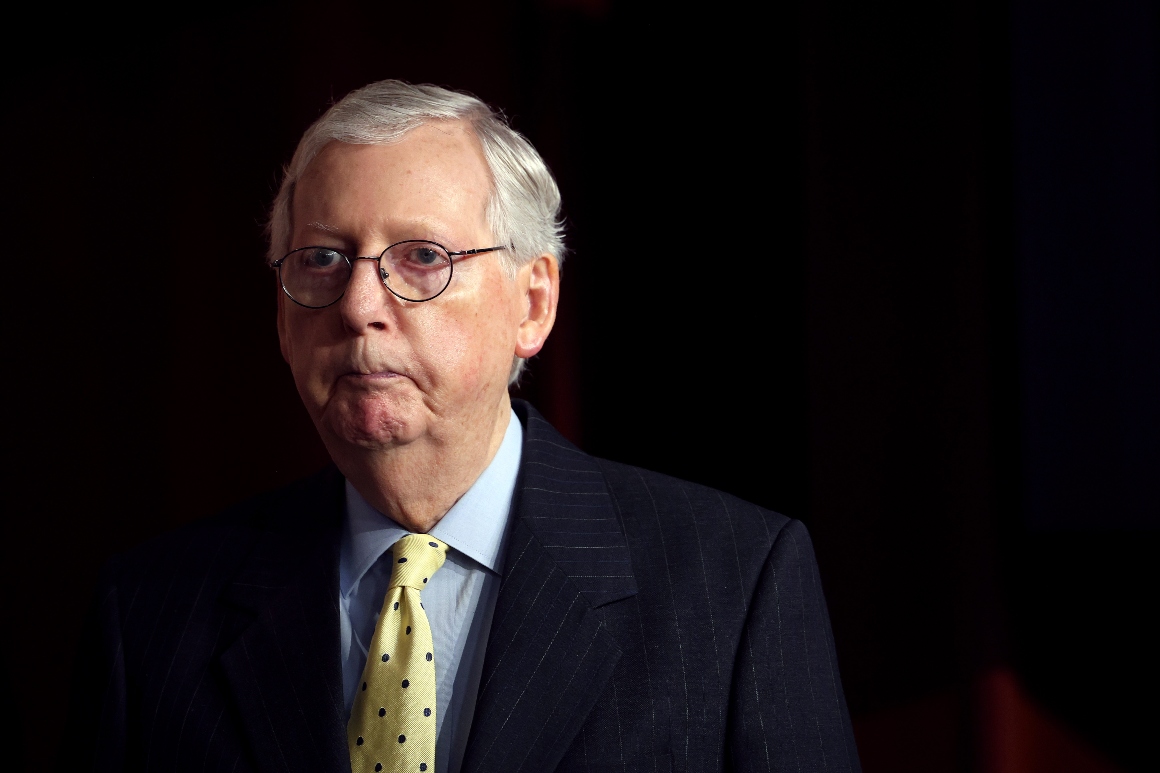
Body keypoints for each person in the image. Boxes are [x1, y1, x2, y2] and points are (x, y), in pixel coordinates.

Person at [63, 80, 861, 773]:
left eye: (420, 257)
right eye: (322, 259)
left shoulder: (735, 583)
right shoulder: (151, 614)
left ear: (533, 303)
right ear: (280, 315)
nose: (360, 307)